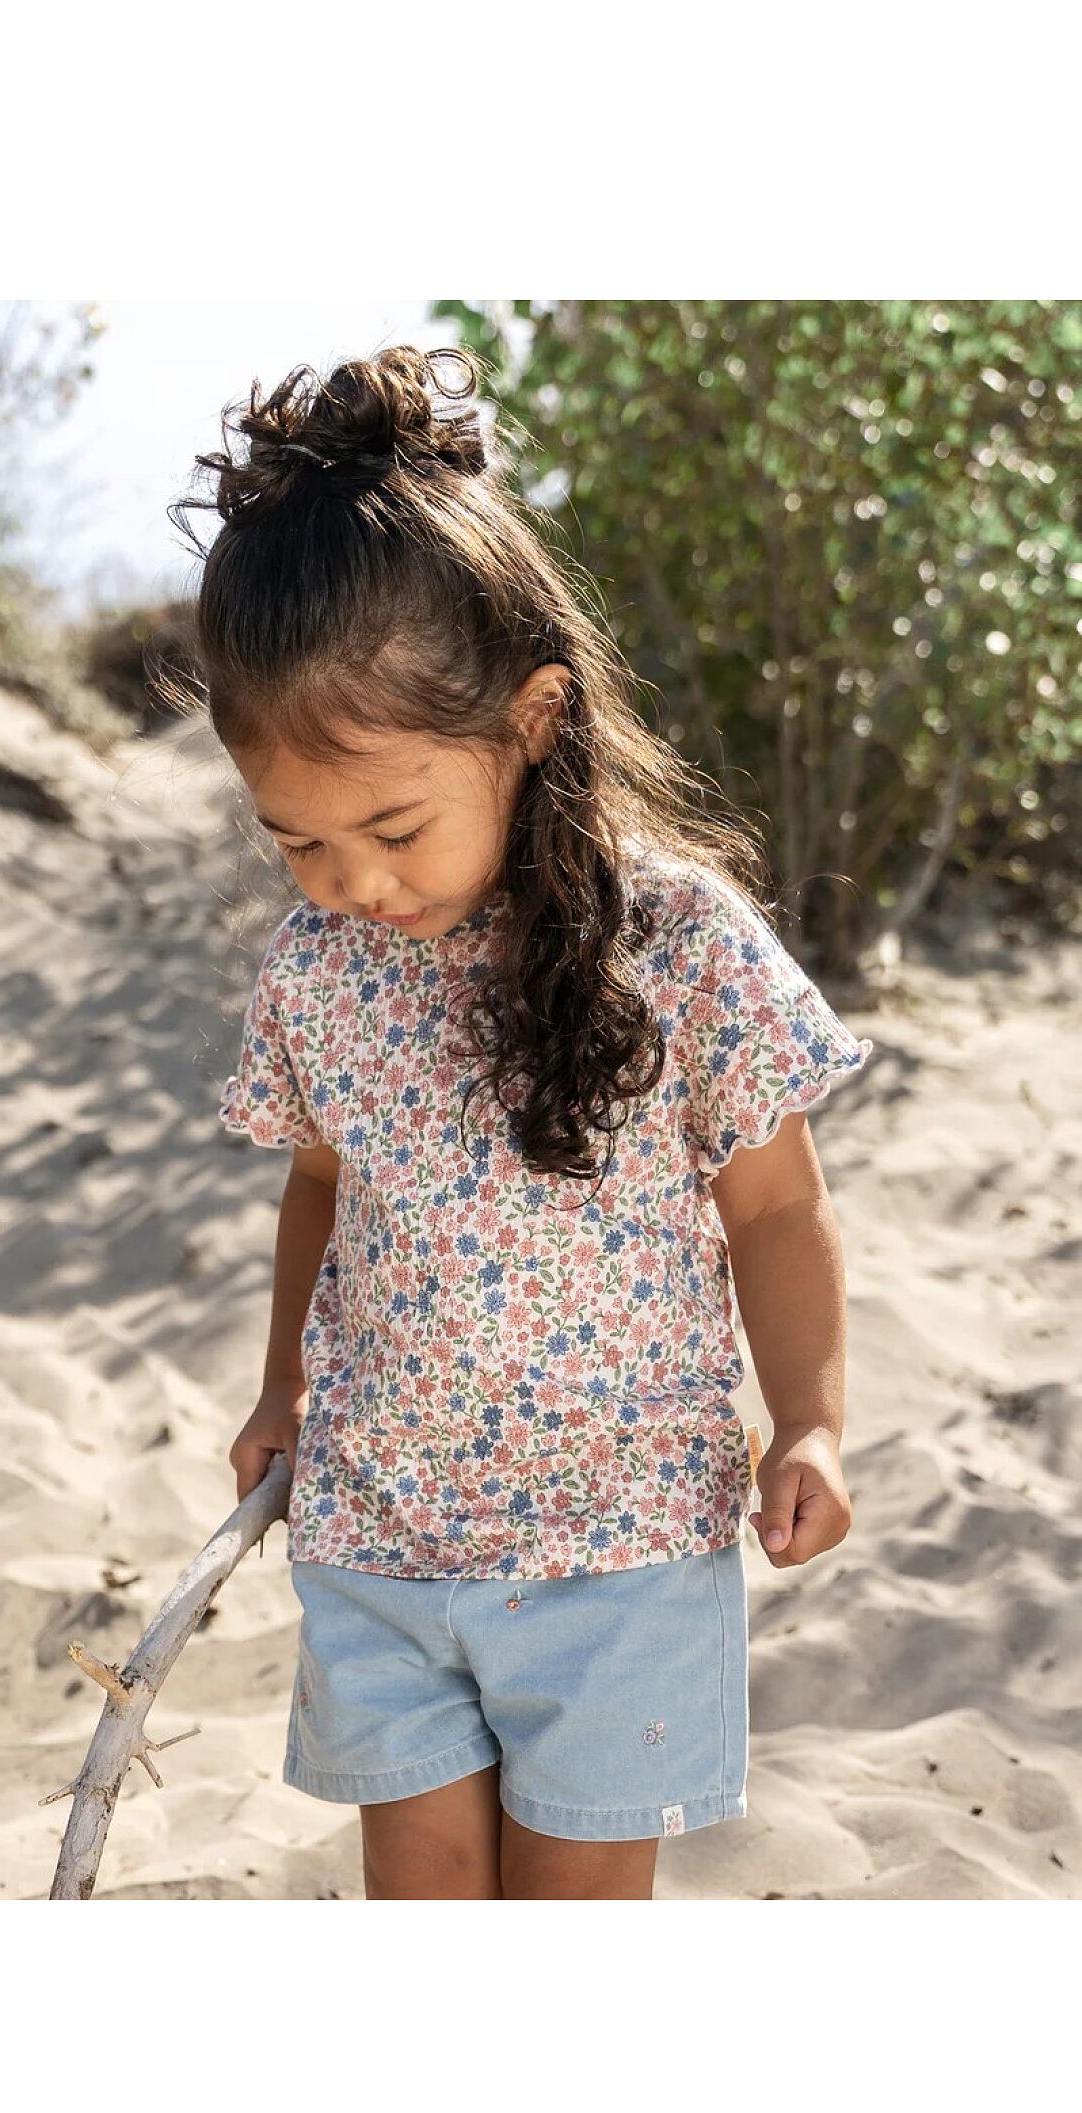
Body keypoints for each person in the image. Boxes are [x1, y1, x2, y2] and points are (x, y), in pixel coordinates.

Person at [174, 343, 875, 1901]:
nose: (353, 881)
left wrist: (812, 1418)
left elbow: (777, 1209)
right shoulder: (320, 970)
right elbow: (319, 1188)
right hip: (384, 1535)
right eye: (298, 842)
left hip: (621, 1547)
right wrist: (283, 1384)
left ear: (535, 717)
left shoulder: (680, 942)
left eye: (394, 825)